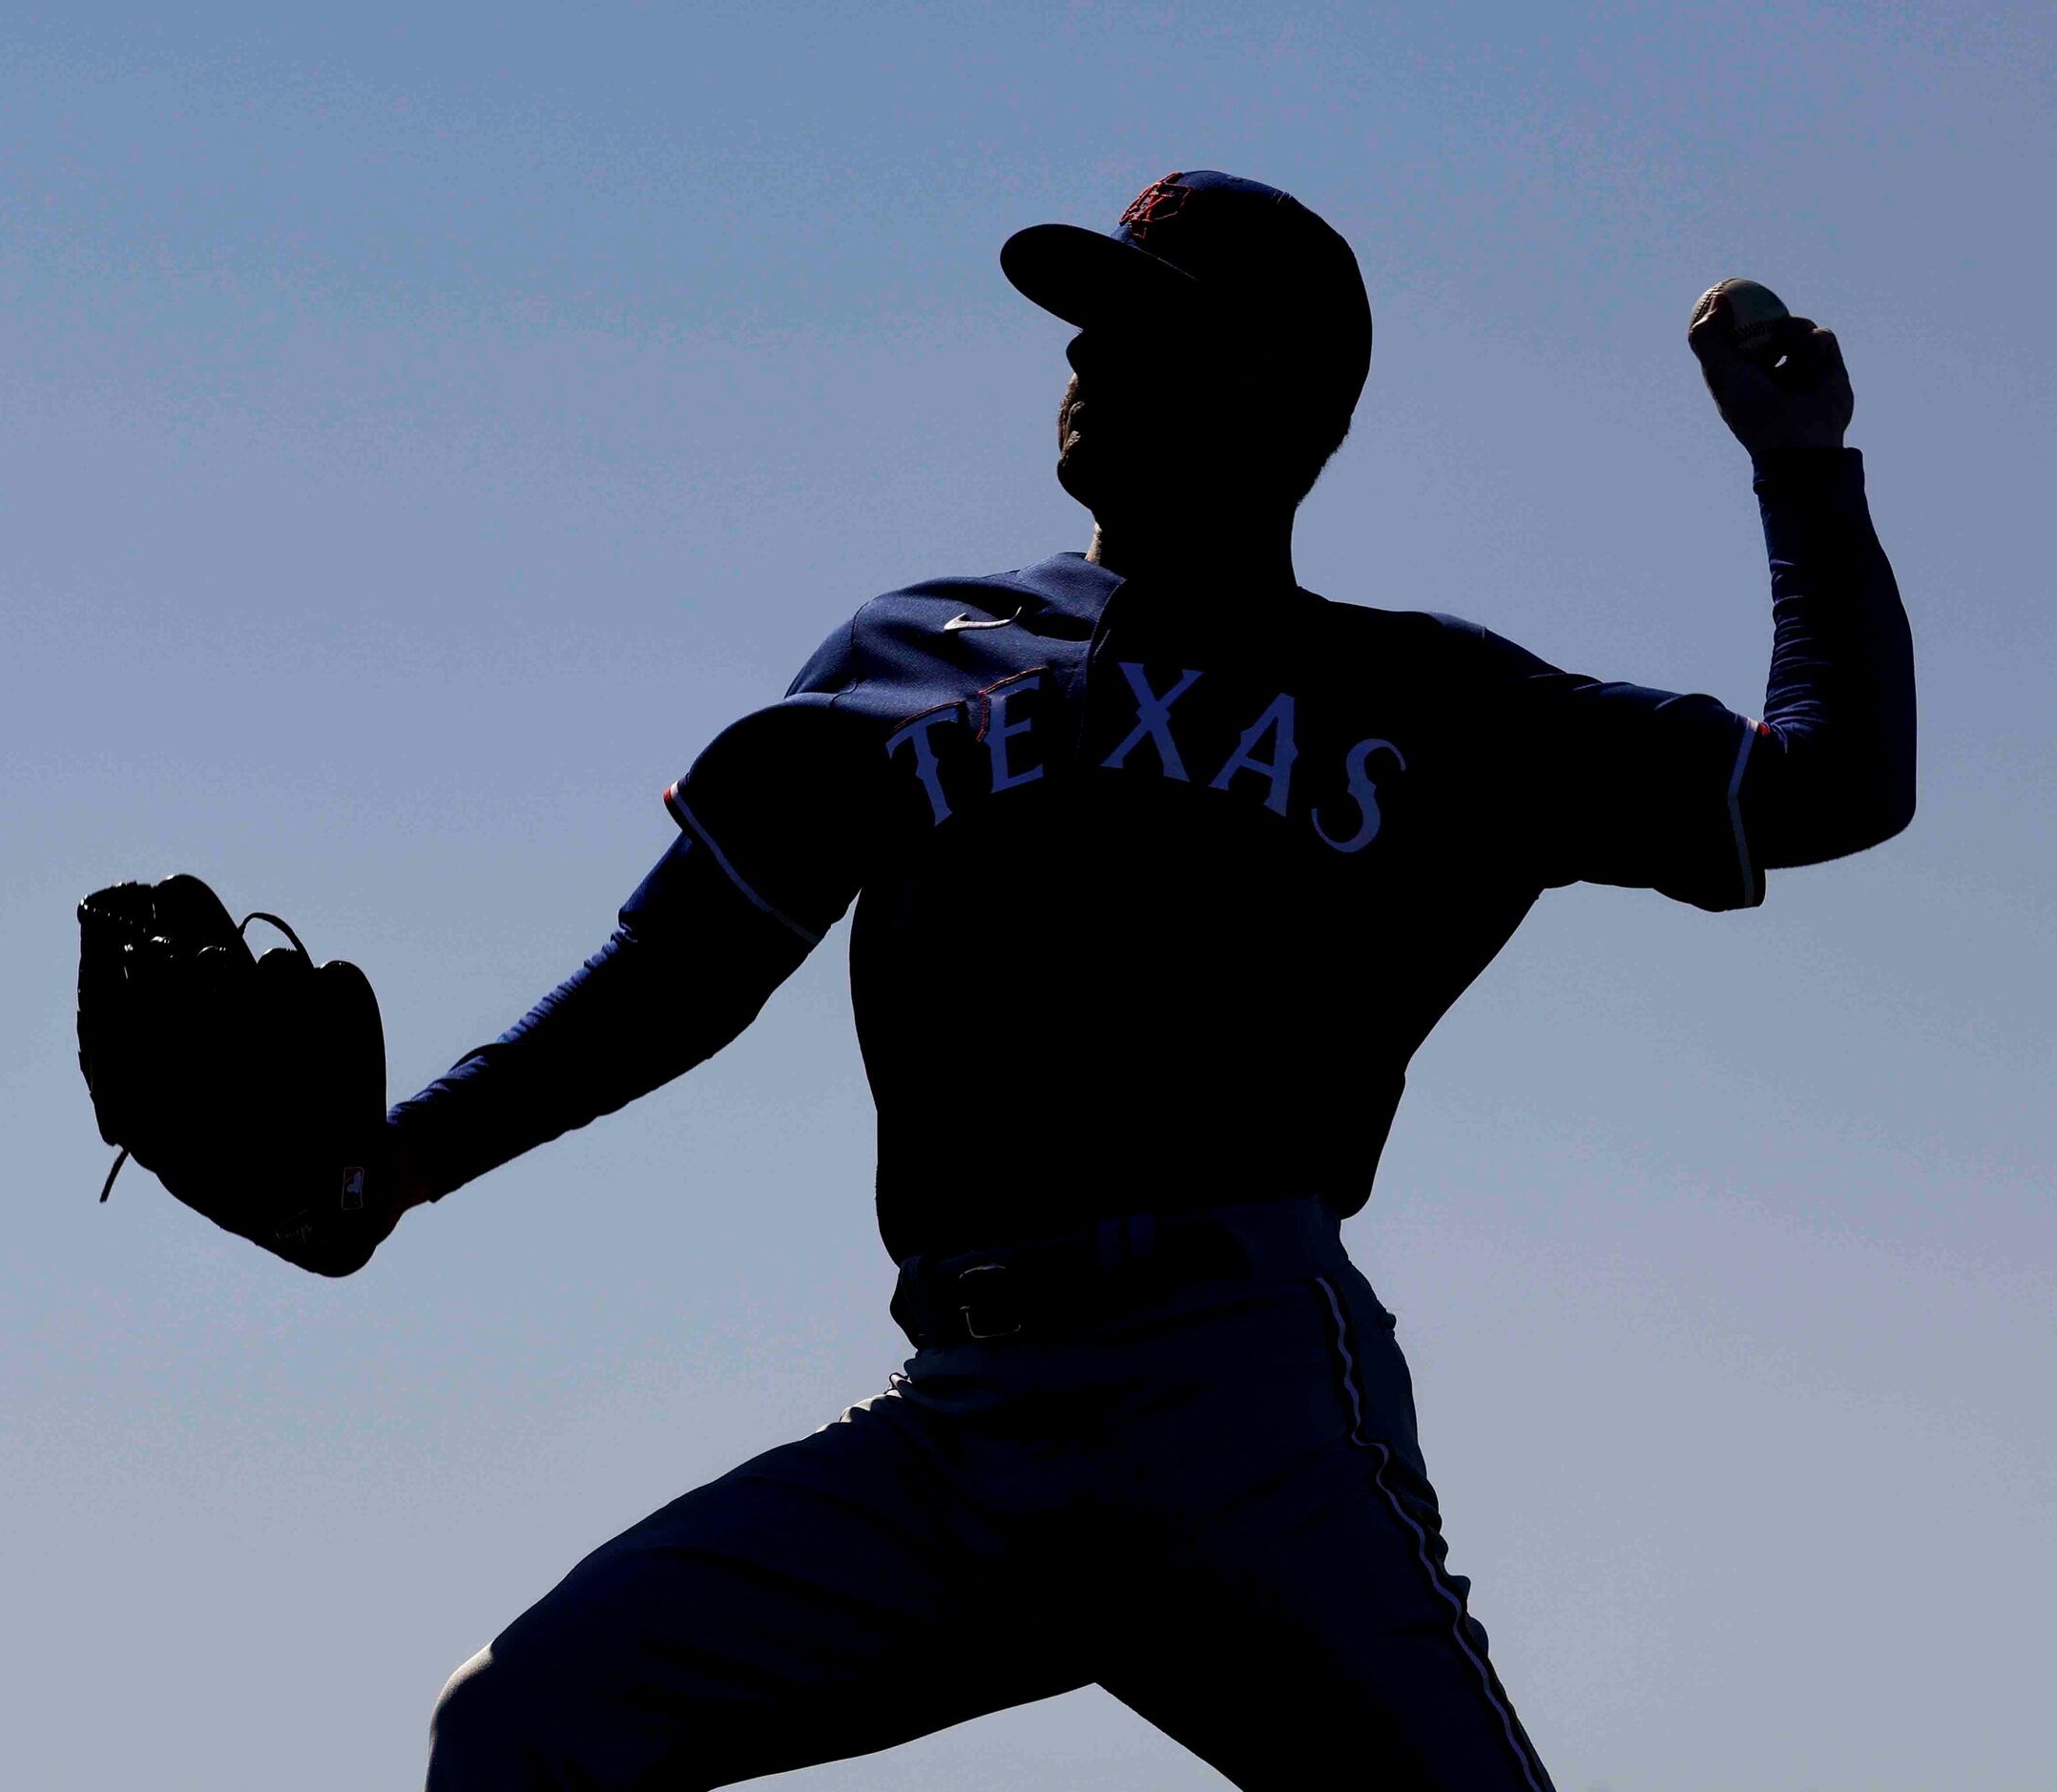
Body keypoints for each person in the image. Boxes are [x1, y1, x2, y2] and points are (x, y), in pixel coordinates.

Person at [352, 171, 1912, 1790]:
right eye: (1086, 320)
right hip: (960, 1417)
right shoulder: (911, 648)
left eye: (1143, 324)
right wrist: (387, 1164)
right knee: (522, 1720)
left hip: (1243, 1401)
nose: (1086, 353)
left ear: (1277, 393)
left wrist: (1803, 473)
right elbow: (669, 976)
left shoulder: (1430, 697)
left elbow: (1832, 784)